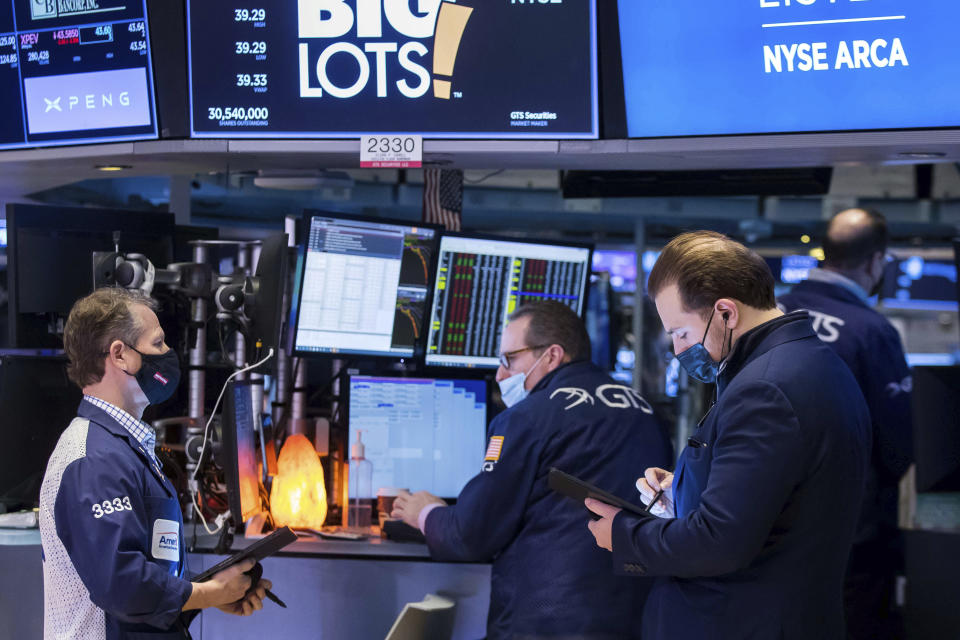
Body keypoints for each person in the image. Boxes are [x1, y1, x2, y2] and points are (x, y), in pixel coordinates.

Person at [585, 231, 871, 640]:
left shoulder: (764, 389)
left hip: (742, 621)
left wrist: (625, 535)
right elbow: (777, 502)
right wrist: (684, 489)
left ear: (725, 312)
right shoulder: (814, 363)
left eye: (681, 333)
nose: (679, 349)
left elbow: (720, 541)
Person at [392, 300, 673, 639]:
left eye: (509, 359)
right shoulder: (644, 410)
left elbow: (470, 535)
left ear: (552, 355)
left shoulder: (528, 417)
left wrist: (426, 513)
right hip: (635, 620)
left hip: (547, 623)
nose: (500, 375)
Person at [39, 288, 271, 640]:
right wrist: (208, 594)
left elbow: (146, 575)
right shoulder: (93, 458)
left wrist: (207, 596)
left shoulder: (122, 447)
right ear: (120, 355)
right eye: (158, 343)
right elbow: (122, 585)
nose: (167, 355)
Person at [779, 208, 912, 640]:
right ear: (877, 262)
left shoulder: (768, 316)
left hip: (766, 524)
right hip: (850, 533)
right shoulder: (872, 331)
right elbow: (898, 444)